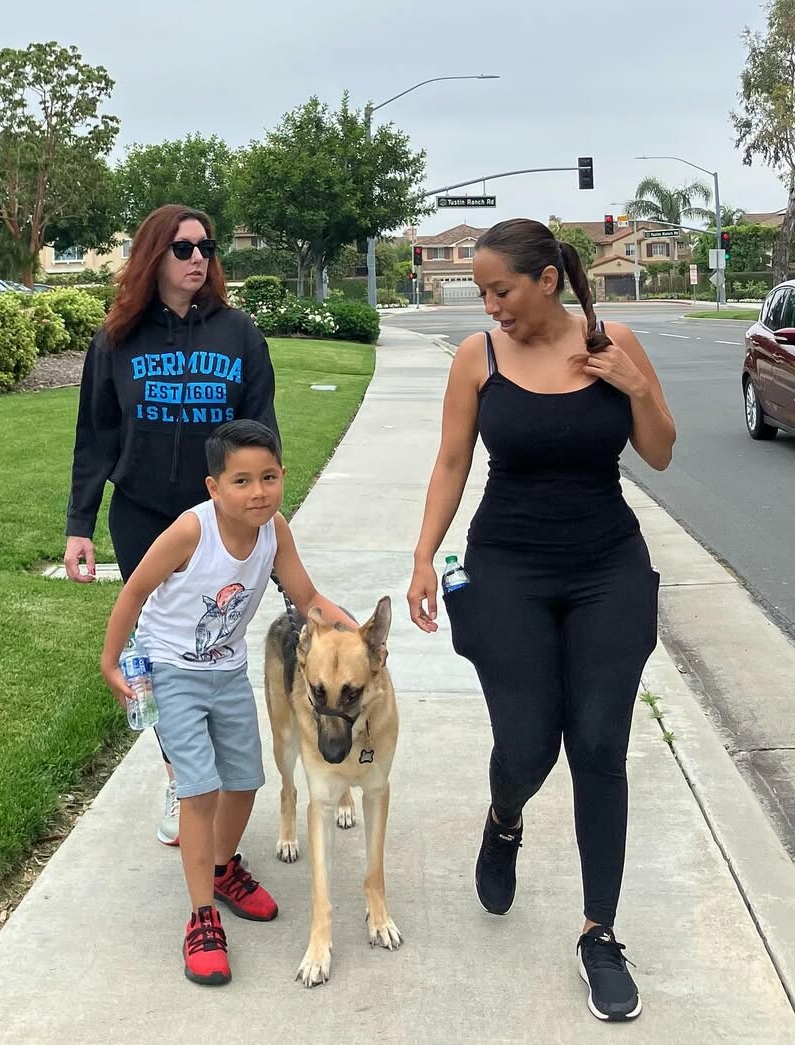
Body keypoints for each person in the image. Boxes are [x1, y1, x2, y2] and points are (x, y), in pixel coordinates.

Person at [406, 218, 675, 1022]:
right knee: (527, 744)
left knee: (597, 744)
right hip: (508, 568)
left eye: (501, 291)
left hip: (607, 566)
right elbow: (451, 460)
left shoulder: (612, 341)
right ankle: (505, 818)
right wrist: (424, 556)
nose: (491, 307)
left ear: (547, 281)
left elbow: (661, 450)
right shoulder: (478, 358)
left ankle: (600, 932)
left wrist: (634, 384)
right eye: (483, 293)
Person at [100, 419, 355, 986]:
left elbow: (307, 596)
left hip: (226, 670)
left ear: (282, 475)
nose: (257, 492)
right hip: (172, 670)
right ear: (214, 488)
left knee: (244, 781)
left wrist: (356, 635)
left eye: (268, 477)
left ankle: (220, 868)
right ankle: (201, 918)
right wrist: (111, 661)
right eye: (241, 481)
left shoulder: (274, 531)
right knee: (199, 790)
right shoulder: (191, 532)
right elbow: (135, 590)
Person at [64, 204, 279, 846]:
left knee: (208, 645)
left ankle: (203, 772)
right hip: (143, 516)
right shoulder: (116, 339)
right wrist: (80, 524)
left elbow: (261, 430)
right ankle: (180, 776)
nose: (197, 259)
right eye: (183, 248)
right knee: (159, 652)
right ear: (153, 256)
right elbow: (95, 436)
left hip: (217, 521)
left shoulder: (239, 335)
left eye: (205, 248)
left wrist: (261, 508)